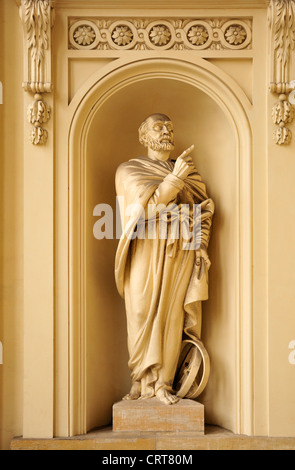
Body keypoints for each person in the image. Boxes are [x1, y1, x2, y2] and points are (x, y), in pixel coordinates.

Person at [115, 113, 214, 405]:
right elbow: (139, 214)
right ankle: (139, 379)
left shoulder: (188, 174)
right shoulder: (129, 170)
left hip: (179, 251)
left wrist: (201, 246)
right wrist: (174, 179)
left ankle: (163, 384)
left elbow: (202, 212)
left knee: (172, 314)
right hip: (145, 248)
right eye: (158, 127)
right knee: (141, 312)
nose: (166, 132)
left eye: (170, 127)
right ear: (144, 135)